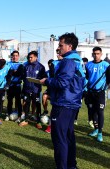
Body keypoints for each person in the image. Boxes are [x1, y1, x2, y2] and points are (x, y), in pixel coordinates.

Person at [40, 32, 85, 169]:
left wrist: (46, 81)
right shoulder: (76, 60)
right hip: (71, 103)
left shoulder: (68, 61)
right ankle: (71, 165)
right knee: (68, 136)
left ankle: (63, 166)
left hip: (63, 104)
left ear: (69, 46)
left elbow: (62, 83)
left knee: (60, 138)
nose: (59, 48)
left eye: (61, 45)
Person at [86, 47, 110, 142]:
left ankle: (100, 133)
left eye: (98, 53)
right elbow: (87, 78)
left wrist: (106, 87)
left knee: (100, 112)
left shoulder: (106, 65)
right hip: (90, 92)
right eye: (94, 54)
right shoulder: (88, 65)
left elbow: (109, 78)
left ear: (101, 54)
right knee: (92, 112)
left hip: (100, 93)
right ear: (92, 54)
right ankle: (95, 129)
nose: (96, 55)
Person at [19, 51, 47, 129]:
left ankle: (38, 122)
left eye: (31, 57)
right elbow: (22, 76)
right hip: (26, 89)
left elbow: (45, 77)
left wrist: (43, 80)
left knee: (37, 105)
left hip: (36, 90)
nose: (29, 59)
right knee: (26, 105)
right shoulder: (25, 66)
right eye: (29, 57)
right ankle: (26, 120)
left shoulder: (41, 67)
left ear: (36, 57)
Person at [44, 50, 63, 133]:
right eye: (57, 53)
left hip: (65, 90)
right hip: (55, 89)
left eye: (60, 53)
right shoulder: (54, 63)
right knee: (54, 108)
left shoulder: (70, 63)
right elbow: (52, 77)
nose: (58, 55)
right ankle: (50, 126)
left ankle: (60, 126)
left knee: (63, 110)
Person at [5, 51, 24, 121]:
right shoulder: (8, 64)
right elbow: (7, 74)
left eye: (16, 55)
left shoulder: (21, 65)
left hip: (18, 85)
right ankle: (8, 114)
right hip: (10, 85)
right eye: (13, 55)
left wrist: (12, 72)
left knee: (18, 101)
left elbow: (19, 74)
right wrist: (13, 71)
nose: (15, 57)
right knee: (9, 101)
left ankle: (19, 116)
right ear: (11, 56)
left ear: (18, 56)